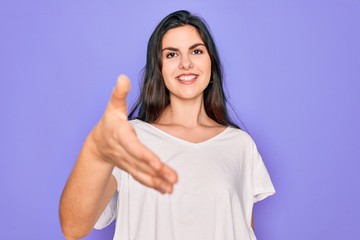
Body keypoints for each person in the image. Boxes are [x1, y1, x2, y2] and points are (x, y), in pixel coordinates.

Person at [59, 10, 275, 240]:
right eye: (172, 55)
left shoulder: (240, 144)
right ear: (159, 69)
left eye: (196, 51)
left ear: (211, 62)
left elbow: (242, 228)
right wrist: (96, 152)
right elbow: (73, 227)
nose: (186, 63)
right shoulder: (130, 138)